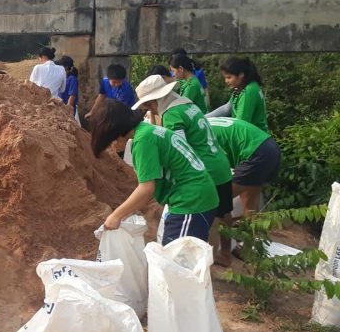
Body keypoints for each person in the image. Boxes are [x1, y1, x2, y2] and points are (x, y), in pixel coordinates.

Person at [90, 99, 219, 245]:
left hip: (191, 201)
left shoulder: (143, 141)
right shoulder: (146, 131)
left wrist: (116, 215)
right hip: (194, 195)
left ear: (115, 132)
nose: (111, 148)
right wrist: (127, 211)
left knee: (176, 256)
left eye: (109, 142)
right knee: (177, 254)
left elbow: (146, 189)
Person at [132, 75, 234, 259]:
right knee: (222, 213)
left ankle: (205, 261)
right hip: (220, 164)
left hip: (205, 170)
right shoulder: (187, 105)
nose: (149, 110)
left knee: (205, 221)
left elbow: (179, 147)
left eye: (149, 105)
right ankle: (225, 254)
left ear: (156, 100)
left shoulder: (172, 114)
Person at [207, 117, 281, 215]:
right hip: (267, 144)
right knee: (249, 203)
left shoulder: (195, 137)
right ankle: (253, 224)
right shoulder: (203, 123)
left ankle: (226, 226)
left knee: (217, 202)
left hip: (254, 152)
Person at [220, 57, 269, 133]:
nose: (226, 81)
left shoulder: (248, 91)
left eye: (229, 77)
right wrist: (205, 118)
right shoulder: (246, 87)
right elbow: (227, 108)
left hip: (253, 137)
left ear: (241, 75)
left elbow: (240, 124)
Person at [55, 55, 79, 121]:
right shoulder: (63, 78)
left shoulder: (72, 79)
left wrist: (67, 109)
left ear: (66, 67)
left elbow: (72, 95)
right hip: (60, 108)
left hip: (67, 110)